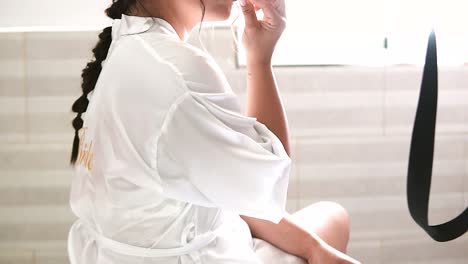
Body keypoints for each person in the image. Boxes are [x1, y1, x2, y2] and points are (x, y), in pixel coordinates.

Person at [67, 0, 360, 263]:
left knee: (328, 224)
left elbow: (234, 188)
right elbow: (266, 182)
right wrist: (260, 60)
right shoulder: (176, 72)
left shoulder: (128, 49)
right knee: (334, 220)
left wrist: (313, 247)